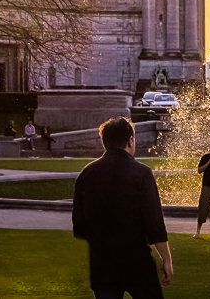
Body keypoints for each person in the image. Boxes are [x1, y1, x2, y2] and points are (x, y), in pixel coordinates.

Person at [73, 117, 172, 298]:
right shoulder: (141, 173)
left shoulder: (87, 174)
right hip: (137, 263)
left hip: (102, 264)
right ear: (131, 140)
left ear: (105, 142)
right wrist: (166, 258)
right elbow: (154, 223)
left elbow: (79, 226)